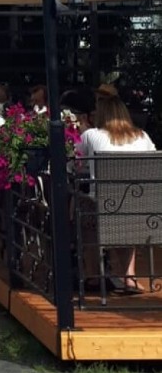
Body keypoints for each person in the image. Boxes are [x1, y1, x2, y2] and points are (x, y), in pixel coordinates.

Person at [79, 89, 156, 293]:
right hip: (140, 211)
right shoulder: (143, 136)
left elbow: (74, 165)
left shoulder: (91, 135)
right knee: (124, 212)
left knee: (82, 206)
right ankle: (129, 276)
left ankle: (93, 275)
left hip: (104, 209)